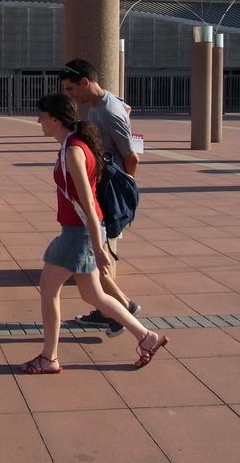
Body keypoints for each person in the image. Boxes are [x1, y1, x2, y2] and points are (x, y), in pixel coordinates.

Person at [19, 93, 167, 373]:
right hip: (81, 230)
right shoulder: (75, 145)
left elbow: (87, 200)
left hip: (79, 233)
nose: (38, 120)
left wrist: (99, 249)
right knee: (94, 295)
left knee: (49, 289)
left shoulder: (73, 150)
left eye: (42, 115)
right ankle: (146, 338)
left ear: (55, 118)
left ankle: (49, 358)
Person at [61, 59, 142, 334]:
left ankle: (119, 310)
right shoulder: (102, 104)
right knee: (99, 253)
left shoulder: (108, 111)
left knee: (100, 253)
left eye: (72, 89)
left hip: (109, 189)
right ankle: (113, 307)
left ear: (86, 82)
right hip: (102, 184)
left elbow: (131, 156)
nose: (70, 95)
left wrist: (126, 186)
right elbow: (125, 107)